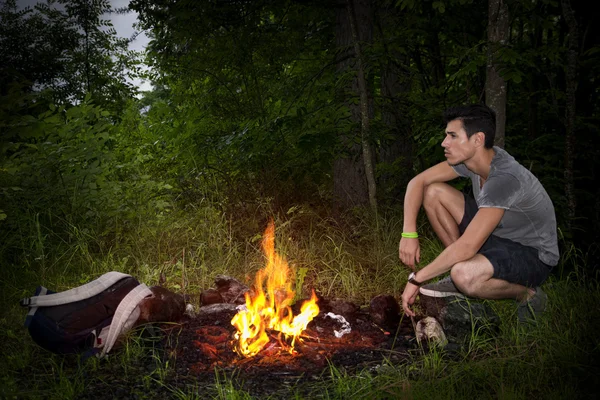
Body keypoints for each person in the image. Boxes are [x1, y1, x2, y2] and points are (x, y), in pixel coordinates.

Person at [399, 104, 559, 322]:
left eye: (453, 136)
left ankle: (527, 294)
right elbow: (418, 182)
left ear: (477, 139)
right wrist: (409, 234)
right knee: (433, 192)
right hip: (498, 235)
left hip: (532, 254)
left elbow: (467, 245)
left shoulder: (504, 178)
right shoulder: (474, 160)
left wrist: (417, 279)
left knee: (464, 276)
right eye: (446, 135)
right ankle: (461, 266)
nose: (444, 143)